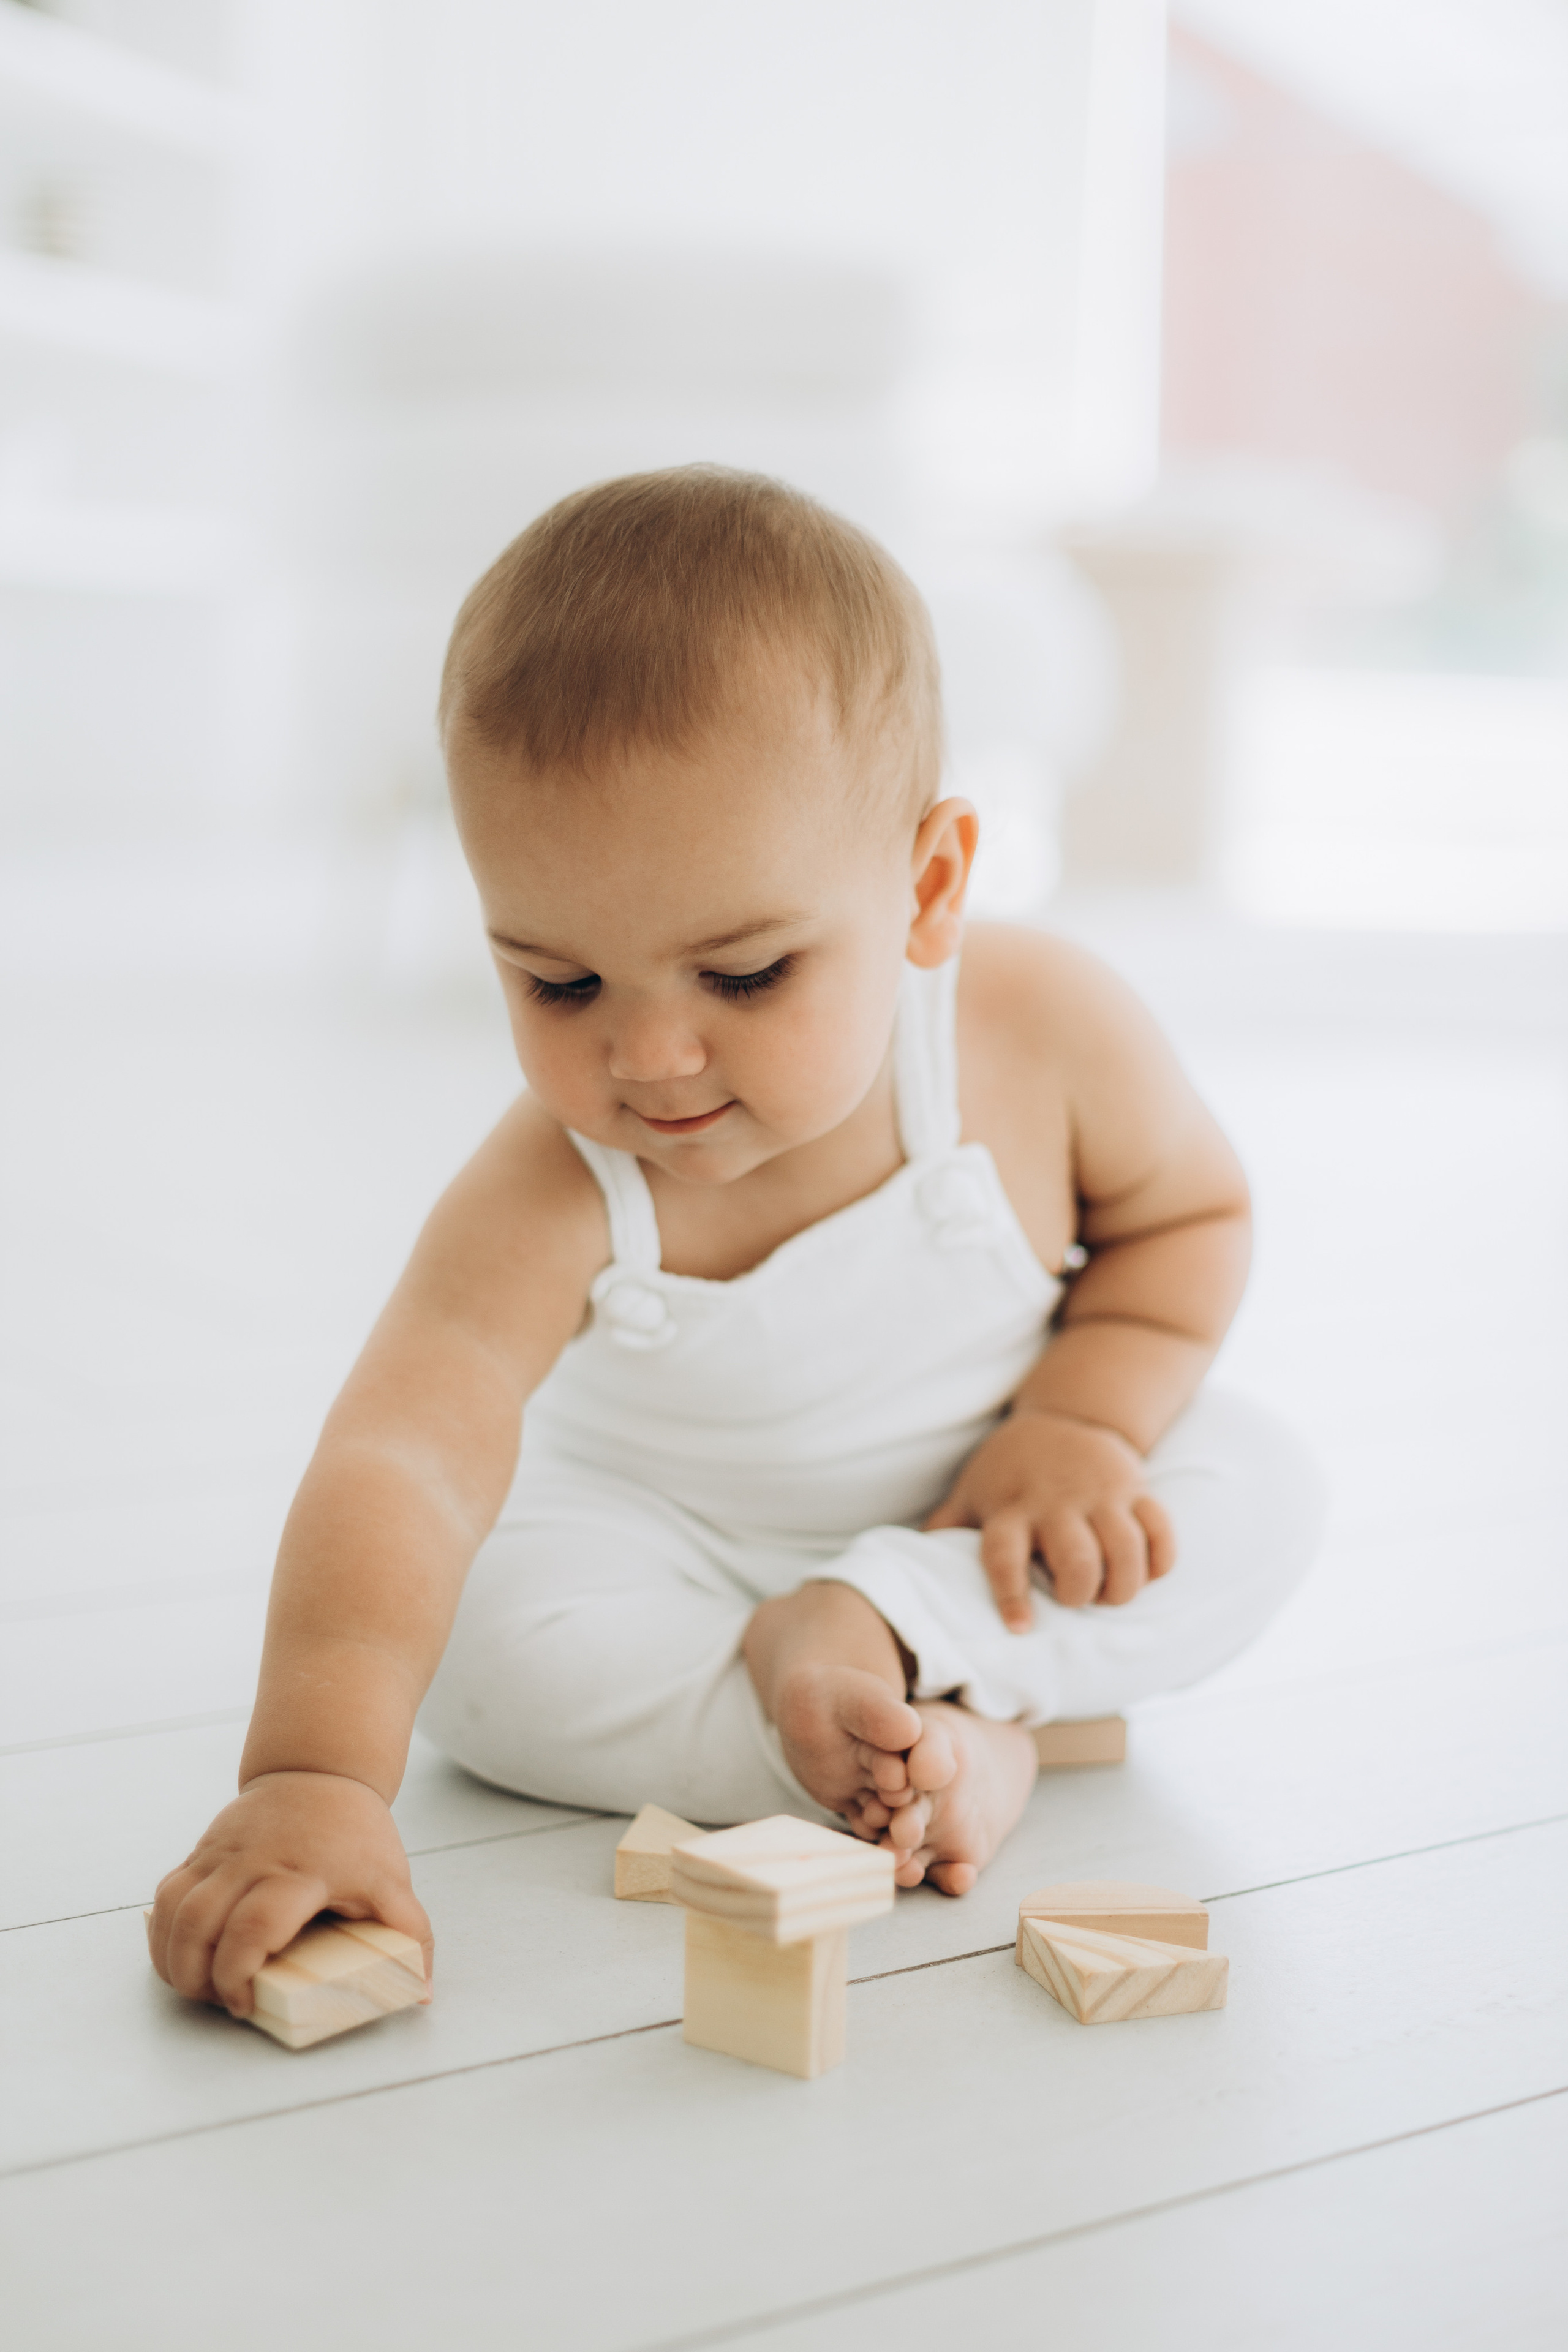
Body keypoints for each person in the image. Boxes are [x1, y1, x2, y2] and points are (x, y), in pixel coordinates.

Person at [149, 467, 1322, 2020]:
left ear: (927, 886)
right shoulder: (556, 1185)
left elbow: (1189, 1218)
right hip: (679, 1560)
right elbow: (405, 1461)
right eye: (557, 986)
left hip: (988, 1526)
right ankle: (933, 1726)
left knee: (1256, 1493)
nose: (646, 1062)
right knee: (494, 1658)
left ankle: (890, 1645)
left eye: (744, 975)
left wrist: (1080, 1421)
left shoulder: (1037, 1037)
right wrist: (313, 1774)